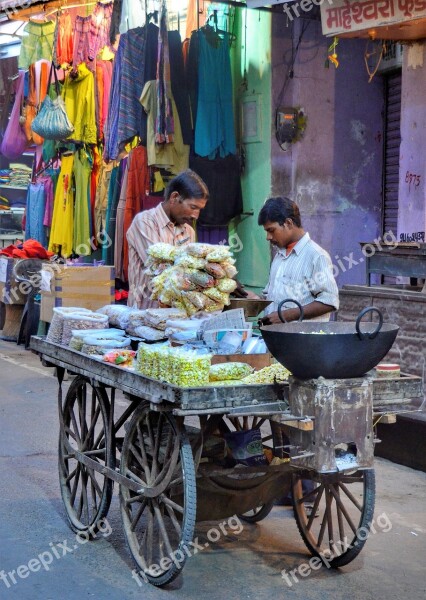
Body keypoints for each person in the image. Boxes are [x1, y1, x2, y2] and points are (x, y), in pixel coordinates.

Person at [126, 169, 209, 309]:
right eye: (193, 207)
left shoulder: (188, 231)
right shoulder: (145, 222)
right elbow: (160, 267)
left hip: (176, 315)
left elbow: (188, 269)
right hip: (144, 313)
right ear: (174, 197)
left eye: (200, 209)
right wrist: (204, 274)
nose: (196, 215)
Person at [257, 196, 339, 325]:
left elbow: (329, 301)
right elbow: (272, 295)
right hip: (275, 338)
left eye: (271, 230)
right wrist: (253, 300)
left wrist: (286, 315)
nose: (268, 237)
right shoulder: (279, 255)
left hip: (303, 341)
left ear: (288, 223)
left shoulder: (316, 255)